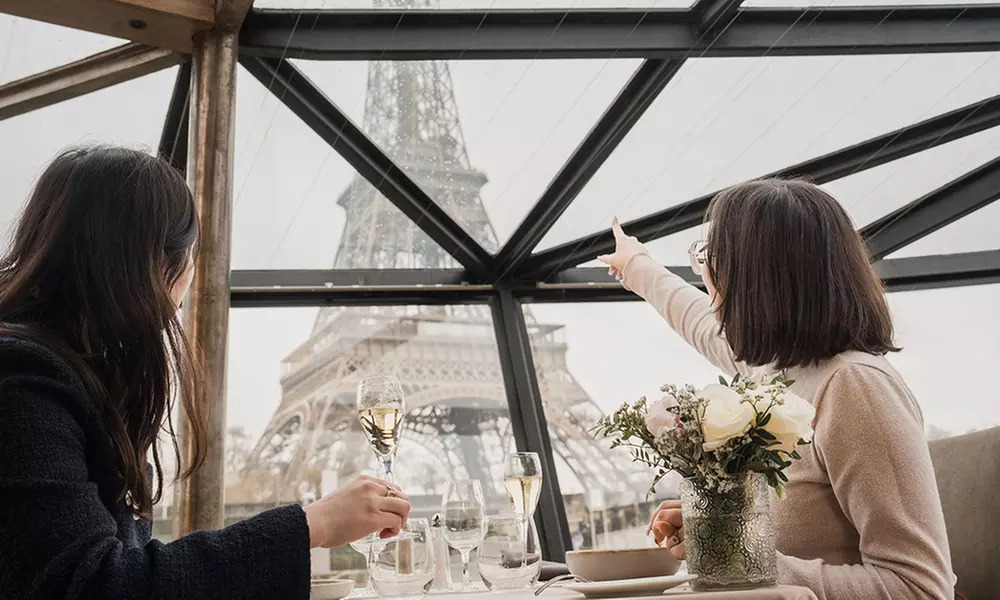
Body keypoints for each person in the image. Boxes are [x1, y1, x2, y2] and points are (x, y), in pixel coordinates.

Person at [0, 146, 410, 599]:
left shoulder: (51, 371)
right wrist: (315, 523)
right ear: (152, 260)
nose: (192, 275)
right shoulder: (23, 379)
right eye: (192, 253)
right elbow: (95, 585)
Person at [598, 179, 954, 600]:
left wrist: (744, 556)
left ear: (756, 276)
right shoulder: (777, 371)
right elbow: (698, 320)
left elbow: (921, 588)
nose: (705, 272)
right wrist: (636, 264)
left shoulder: (854, 387)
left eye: (708, 257)